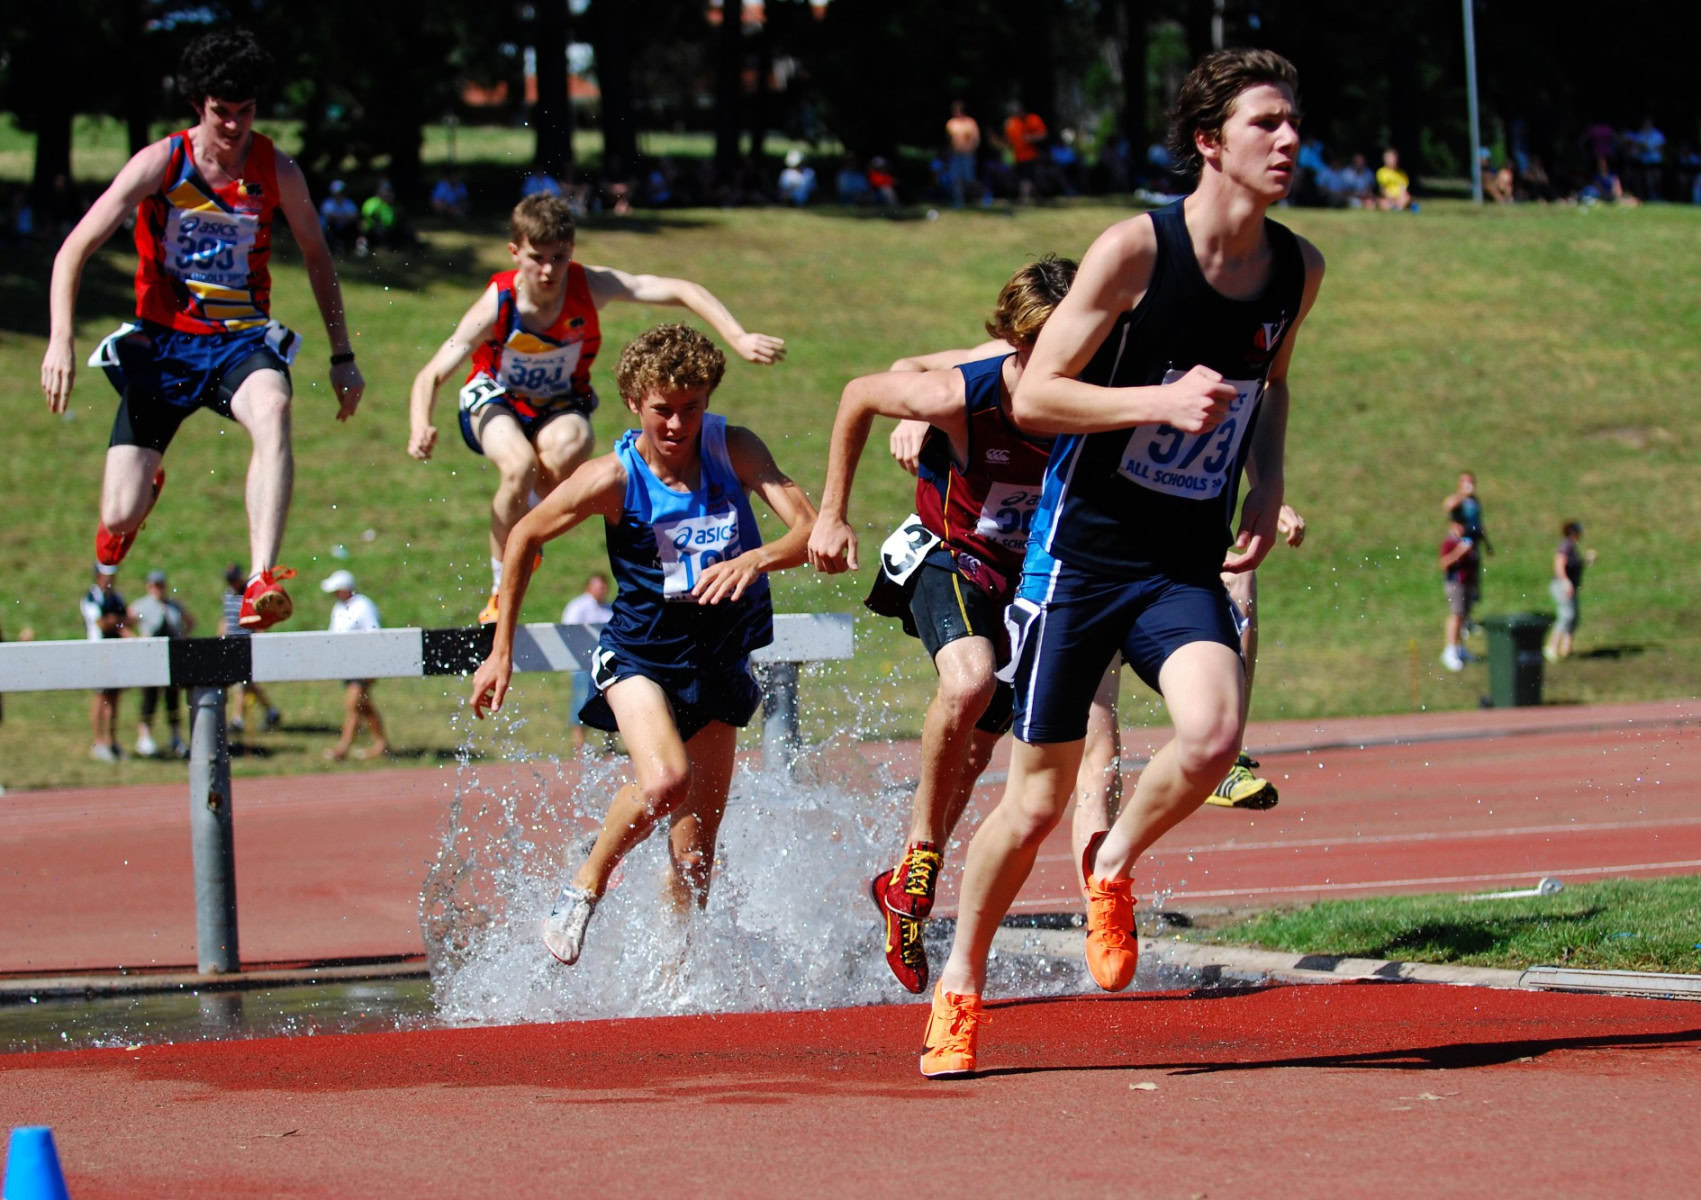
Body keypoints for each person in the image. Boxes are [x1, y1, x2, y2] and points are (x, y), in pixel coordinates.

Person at [917, 48, 1324, 1077]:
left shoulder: (1297, 268)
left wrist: (1266, 483)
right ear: (1208, 142)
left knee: (1215, 729)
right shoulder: (1135, 252)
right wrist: (1155, 401)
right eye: (1265, 124)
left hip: (1180, 561)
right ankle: (960, 981)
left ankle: (1115, 862)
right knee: (1035, 798)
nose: (1288, 141)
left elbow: (1270, 387)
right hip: (1081, 561)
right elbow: (1036, 395)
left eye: (1292, 123)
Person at [468, 324, 818, 969]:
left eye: (692, 407)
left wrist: (758, 560)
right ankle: (581, 890)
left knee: (695, 854)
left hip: (717, 660)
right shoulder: (613, 478)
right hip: (640, 658)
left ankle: (674, 977)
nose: (679, 424)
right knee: (665, 781)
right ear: (635, 402)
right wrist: (501, 650)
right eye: (664, 409)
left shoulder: (733, 449)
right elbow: (523, 536)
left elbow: (809, 530)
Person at [809, 257, 1099, 993]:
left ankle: (907, 880)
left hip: (1026, 582)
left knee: (978, 746)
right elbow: (858, 393)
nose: (1055, 366)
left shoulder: (1098, 388)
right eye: (1037, 348)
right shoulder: (963, 388)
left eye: (1072, 344)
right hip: (949, 554)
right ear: (1012, 341)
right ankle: (920, 856)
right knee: (967, 681)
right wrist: (832, 513)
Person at [39, 28, 365, 635]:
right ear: (199, 105)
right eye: (222, 113)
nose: (234, 127)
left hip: (239, 342)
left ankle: (262, 580)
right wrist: (61, 338)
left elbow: (319, 258)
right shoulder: (161, 163)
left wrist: (342, 354)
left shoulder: (276, 171)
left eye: (246, 113)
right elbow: (73, 250)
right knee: (119, 512)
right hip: (163, 344)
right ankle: (138, 496)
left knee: (273, 406)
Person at [407, 194, 787, 624]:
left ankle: (530, 516)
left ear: (572, 252)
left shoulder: (590, 285)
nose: (549, 271)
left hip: (557, 404)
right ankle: (500, 589)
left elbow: (681, 289)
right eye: (537, 259)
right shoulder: (498, 302)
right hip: (496, 397)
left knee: (575, 441)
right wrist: (421, 422)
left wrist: (736, 337)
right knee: (517, 464)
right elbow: (432, 373)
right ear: (515, 253)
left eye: (560, 258)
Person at [321, 569, 389, 760]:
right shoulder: (339, 608)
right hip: (348, 665)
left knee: (353, 703)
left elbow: (374, 633)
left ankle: (343, 748)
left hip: (365, 663)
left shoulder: (363, 605)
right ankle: (382, 743)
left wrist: (374, 665)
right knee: (363, 706)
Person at [129, 568, 194, 758]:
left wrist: (183, 638)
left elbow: (189, 622)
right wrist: (137, 640)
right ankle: (145, 736)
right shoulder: (142, 606)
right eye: (154, 585)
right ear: (149, 586)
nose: (158, 588)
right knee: (149, 697)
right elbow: (125, 623)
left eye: (160, 585)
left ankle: (175, 736)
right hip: (150, 658)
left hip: (171, 657)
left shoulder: (173, 606)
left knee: (172, 698)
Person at [218, 561, 280, 733]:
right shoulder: (228, 595)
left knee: (242, 682)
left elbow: (260, 620)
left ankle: (237, 719)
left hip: (247, 643)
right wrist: (220, 639)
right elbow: (225, 619)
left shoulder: (250, 594)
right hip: (232, 643)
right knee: (246, 683)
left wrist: (259, 640)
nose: (232, 583)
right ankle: (271, 711)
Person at [560, 571, 615, 755]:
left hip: (606, 665)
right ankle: (579, 746)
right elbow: (569, 633)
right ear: (588, 587)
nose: (601, 590)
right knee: (582, 702)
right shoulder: (578, 607)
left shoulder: (609, 608)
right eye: (597, 586)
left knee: (612, 702)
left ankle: (610, 745)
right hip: (584, 664)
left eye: (603, 586)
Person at [81, 564, 129, 762]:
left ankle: (111, 740)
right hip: (98, 650)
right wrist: (117, 621)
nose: (108, 580)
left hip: (115, 650)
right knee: (100, 695)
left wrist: (116, 620)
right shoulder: (91, 598)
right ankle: (98, 741)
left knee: (115, 696)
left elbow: (127, 619)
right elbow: (101, 623)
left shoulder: (116, 598)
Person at [1545, 521, 1595, 663]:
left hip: (1570, 586)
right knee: (1566, 615)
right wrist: (1565, 581)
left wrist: (1586, 560)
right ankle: (1551, 647)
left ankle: (1566, 650)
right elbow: (1559, 563)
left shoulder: (1572, 547)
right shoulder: (1566, 545)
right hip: (1563, 585)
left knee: (1574, 618)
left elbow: (1574, 563)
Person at [1438, 510, 1480, 672]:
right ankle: (1450, 650)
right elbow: (1444, 563)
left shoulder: (1466, 541)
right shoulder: (1450, 543)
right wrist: (1459, 552)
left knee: (1463, 616)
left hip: (1467, 582)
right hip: (1456, 583)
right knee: (1456, 615)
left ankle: (1459, 647)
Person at [1003, 103, 1047, 203]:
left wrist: (1031, 138)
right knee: (1023, 179)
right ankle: (1027, 197)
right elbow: (1008, 140)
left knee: (1030, 178)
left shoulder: (1033, 119)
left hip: (1032, 155)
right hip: (1018, 156)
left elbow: (1043, 134)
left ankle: (1028, 198)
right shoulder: (1012, 123)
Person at [945, 101, 985, 208]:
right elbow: (948, 139)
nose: (956, 113)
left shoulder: (970, 122)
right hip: (956, 155)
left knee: (970, 178)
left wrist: (973, 150)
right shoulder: (951, 123)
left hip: (968, 155)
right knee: (956, 179)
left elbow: (976, 139)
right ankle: (959, 201)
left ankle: (979, 199)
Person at [1443, 471, 1493, 555]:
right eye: (1466, 482)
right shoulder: (1457, 498)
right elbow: (1448, 506)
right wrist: (1463, 495)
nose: (1469, 485)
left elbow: (1478, 522)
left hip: (1473, 540)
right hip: (1459, 539)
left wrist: (1486, 542)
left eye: (1471, 482)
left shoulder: (1475, 501)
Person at [318, 179, 359, 254]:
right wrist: (345, 217)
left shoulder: (348, 203)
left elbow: (354, 216)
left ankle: (349, 249)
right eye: (337, 193)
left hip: (345, 228)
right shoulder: (328, 203)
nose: (339, 195)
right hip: (332, 228)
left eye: (341, 193)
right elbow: (329, 217)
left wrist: (339, 217)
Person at [1376, 146, 1413, 211]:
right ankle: (1398, 207)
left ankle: (1397, 206)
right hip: (1388, 197)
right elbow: (1382, 189)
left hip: (1399, 197)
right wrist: (1391, 197)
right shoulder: (1381, 172)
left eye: (1394, 158)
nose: (1393, 160)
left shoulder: (1402, 174)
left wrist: (1401, 197)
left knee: (1407, 198)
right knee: (1381, 202)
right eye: (1390, 158)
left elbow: (1404, 190)